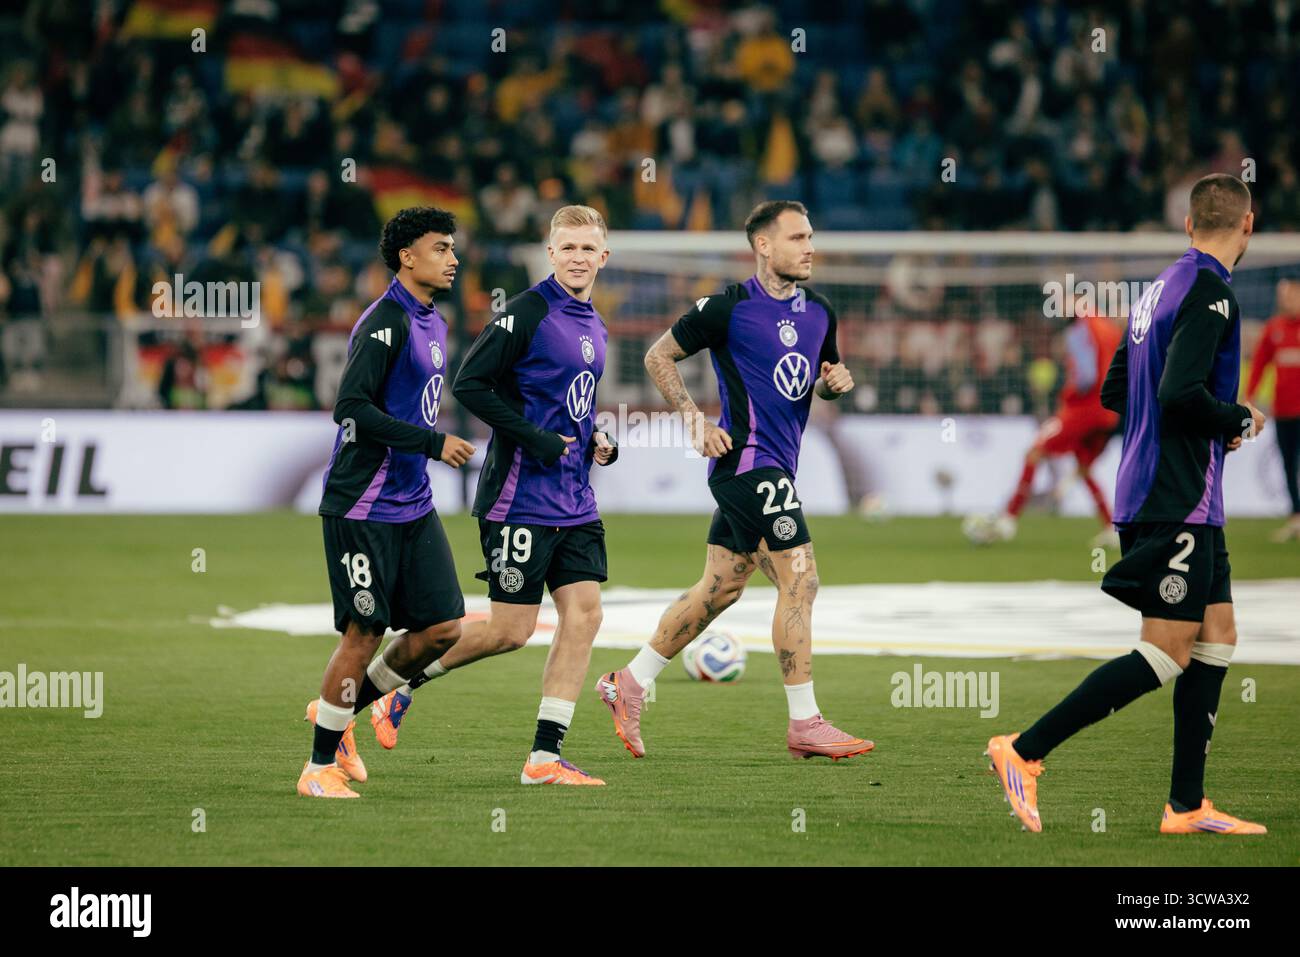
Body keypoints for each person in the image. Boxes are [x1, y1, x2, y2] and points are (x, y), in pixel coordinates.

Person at [986, 174, 1268, 835]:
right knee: (1167, 650)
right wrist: (1238, 416)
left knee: (1217, 635)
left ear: (1190, 224)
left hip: (1174, 489)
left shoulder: (1157, 291)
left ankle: (1187, 804)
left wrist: (1183, 424)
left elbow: (1120, 389)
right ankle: (1023, 750)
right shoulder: (1211, 293)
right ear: (1247, 225)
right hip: (1176, 495)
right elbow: (1178, 392)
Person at [592, 200, 873, 762]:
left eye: (811, 236)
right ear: (764, 246)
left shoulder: (820, 311)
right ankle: (805, 723)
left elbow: (818, 380)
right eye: (797, 237)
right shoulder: (728, 307)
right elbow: (658, 356)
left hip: (776, 465)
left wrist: (834, 383)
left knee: (721, 587)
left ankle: (630, 681)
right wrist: (694, 418)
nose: (810, 246)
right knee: (802, 578)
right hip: (746, 463)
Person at [370, 205, 617, 786]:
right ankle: (396, 689)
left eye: (589, 249)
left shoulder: (595, 324)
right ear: (550, 253)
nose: (579, 258)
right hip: (520, 498)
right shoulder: (527, 313)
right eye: (569, 248)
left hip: (575, 497)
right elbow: (470, 384)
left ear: (603, 257)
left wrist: (597, 438)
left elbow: (572, 403)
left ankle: (544, 758)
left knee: (584, 615)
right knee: (511, 631)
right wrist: (537, 439)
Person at [298, 207, 475, 798]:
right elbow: (350, 408)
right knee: (364, 633)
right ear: (407, 256)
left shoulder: (435, 321)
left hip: (412, 502)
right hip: (363, 503)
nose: (453, 258)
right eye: (441, 248)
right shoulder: (385, 323)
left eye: (453, 248)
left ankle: (339, 712)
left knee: (444, 627)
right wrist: (431, 442)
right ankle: (318, 767)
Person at [1244, 279, 1300, 541]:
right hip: (1285, 412)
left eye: (1290, 294)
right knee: (1288, 464)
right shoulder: (1274, 328)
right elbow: (1259, 364)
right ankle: (1295, 517)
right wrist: (1249, 396)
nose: (1286, 300)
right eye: (1283, 295)